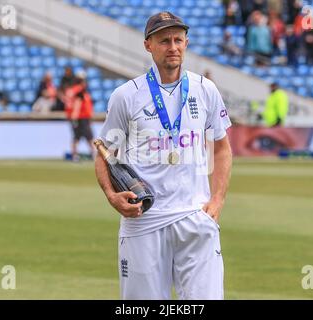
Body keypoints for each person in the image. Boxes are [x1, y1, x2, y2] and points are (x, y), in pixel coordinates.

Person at [94, 11, 232, 300]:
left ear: (186, 42)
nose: (173, 47)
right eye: (164, 40)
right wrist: (111, 195)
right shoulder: (126, 95)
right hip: (144, 221)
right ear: (148, 45)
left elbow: (221, 146)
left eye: (178, 40)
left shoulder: (205, 89)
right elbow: (105, 151)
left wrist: (217, 199)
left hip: (195, 217)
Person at [65, 70, 95, 161]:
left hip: (79, 117)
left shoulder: (72, 90)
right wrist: (74, 117)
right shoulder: (80, 91)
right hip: (81, 118)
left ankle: (75, 155)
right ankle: (93, 155)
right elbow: (77, 104)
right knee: (89, 137)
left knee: (76, 138)